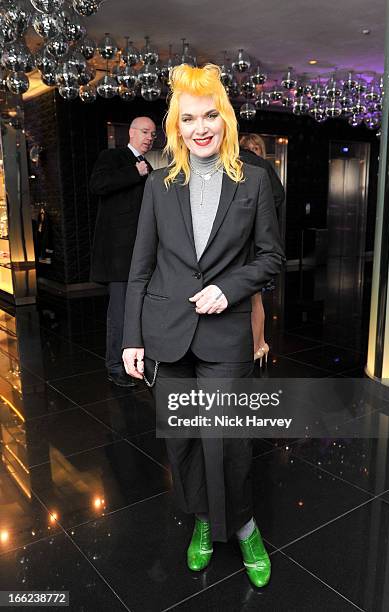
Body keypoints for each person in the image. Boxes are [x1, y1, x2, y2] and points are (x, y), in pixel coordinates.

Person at [122, 64, 284, 587]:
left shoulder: (254, 181)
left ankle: (245, 526)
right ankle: (202, 520)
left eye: (210, 114)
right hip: (167, 331)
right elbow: (140, 266)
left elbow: (270, 258)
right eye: (188, 117)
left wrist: (230, 287)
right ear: (176, 125)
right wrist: (132, 337)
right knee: (184, 440)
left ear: (225, 118)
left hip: (225, 334)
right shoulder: (160, 185)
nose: (200, 126)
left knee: (228, 438)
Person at [89, 116, 156, 387]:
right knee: (119, 314)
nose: (149, 137)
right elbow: (97, 186)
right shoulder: (112, 156)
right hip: (118, 256)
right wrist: (134, 173)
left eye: (153, 133)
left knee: (141, 311)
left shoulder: (149, 166)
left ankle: (138, 362)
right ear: (130, 133)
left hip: (143, 254)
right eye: (144, 131)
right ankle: (115, 366)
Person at [239, 133, 285, 366]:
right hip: (255, 245)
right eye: (250, 147)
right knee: (254, 300)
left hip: (248, 246)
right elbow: (278, 197)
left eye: (254, 147)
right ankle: (258, 346)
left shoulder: (245, 166)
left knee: (250, 300)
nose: (252, 151)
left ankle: (257, 346)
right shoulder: (261, 167)